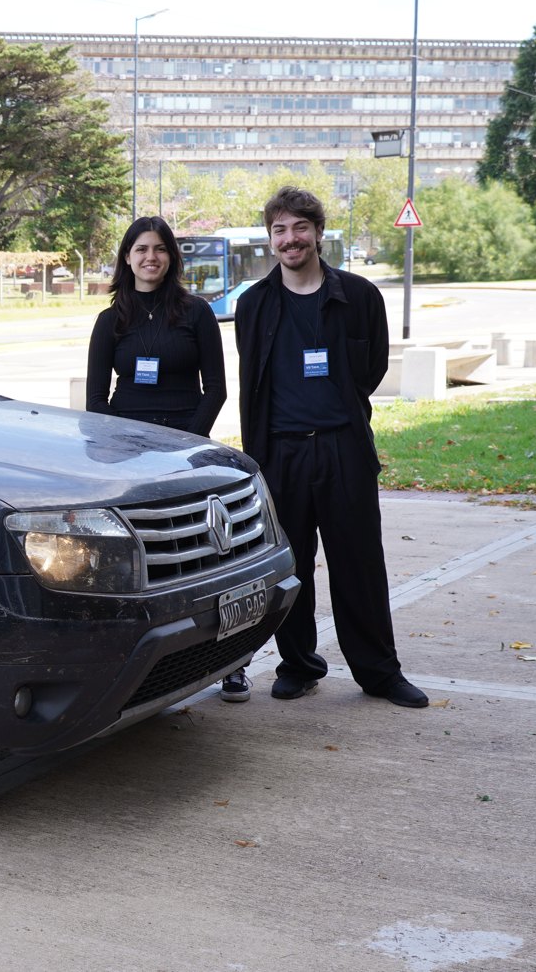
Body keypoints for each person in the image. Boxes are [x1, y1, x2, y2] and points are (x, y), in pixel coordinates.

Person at [234, 187, 429, 709]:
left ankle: (380, 673)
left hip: (344, 449)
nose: (290, 239)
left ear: (318, 233)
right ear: (270, 239)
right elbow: (252, 381)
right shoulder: (254, 304)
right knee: (290, 568)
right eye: (279, 230)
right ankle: (298, 665)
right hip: (282, 455)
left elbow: (371, 370)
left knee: (360, 565)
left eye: (300, 228)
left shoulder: (360, 296)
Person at [84, 216, 240, 698]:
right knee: (147, 565)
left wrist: (187, 446)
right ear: (127, 258)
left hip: (187, 451)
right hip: (128, 456)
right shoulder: (111, 320)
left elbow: (215, 389)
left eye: (160, 249)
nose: (150, 257)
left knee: (210, 558)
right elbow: (96, 400)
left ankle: (231, 661)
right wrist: (123, 451)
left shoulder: (196, 313)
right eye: (140, 249)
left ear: (171, 257)